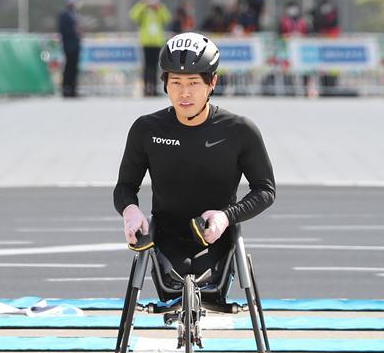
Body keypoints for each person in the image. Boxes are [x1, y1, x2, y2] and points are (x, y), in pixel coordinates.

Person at [114, 32, 276, 283]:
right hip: (166, 237)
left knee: (208, 283)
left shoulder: (240, 130)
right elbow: (125, 186)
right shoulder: (146, 129)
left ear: (212, 82)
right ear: (165, 83)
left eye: (193, 83)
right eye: (176, 82)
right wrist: (130, 211)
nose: (184, 93)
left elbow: (265, 189)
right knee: (175, 281)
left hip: (217, 235)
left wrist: (226, 216)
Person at [129, 0, 171, 96]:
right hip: (146, 42)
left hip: (157, 42)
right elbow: (133, 15)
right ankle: (146, 88)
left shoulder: (159, 9)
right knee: (147, 66)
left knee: (155, 66)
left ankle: (154, 88)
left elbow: (167, 18)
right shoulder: (144, 10)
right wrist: (143, 5)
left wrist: (159, 7)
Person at [58, 0, 81, 97]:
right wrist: (74, 31)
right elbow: (63, 30)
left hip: (76, 45)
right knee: (68, 67)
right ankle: (66, 88)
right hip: (68, 45)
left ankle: (73, 89)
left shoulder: (75, 15)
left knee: (74, 67)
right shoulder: (64, 16)